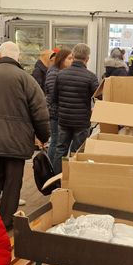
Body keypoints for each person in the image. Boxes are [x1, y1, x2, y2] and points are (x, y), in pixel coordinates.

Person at [0, 41, 50, 229]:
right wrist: (43, 136)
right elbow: (40, 112)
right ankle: (5, 222)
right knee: (13, 183)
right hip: (17, 141)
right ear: (18, 57)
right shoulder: (26, 79)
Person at [52, 43, 98, 174]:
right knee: (77, 151)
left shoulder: (60, 75)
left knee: (60, 149)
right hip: (81, 121)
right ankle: (74, 178)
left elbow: (54, 99)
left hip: (64, 119)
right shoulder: (90, 77)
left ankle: (57, 179)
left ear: (73, 56)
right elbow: (99, 97)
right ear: (87, 59)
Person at [45, 48, 73, 170]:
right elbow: (53, 94)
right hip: (55, 114)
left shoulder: (61, 72)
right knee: (55, 142)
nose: (72, 61)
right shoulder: (54, 73)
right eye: (69, 58)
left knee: (58, 142)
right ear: (61, 59)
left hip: (60, 113)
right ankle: (50, 168)